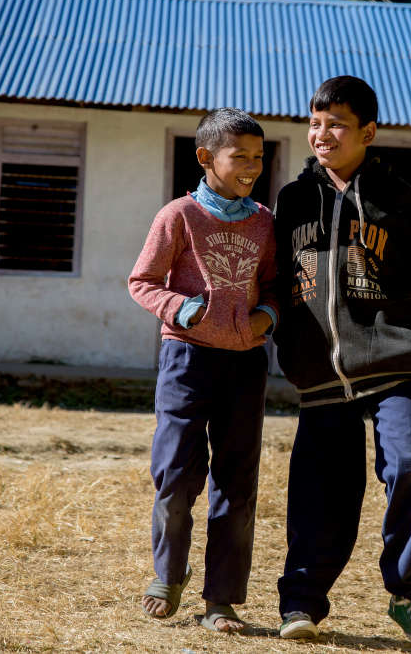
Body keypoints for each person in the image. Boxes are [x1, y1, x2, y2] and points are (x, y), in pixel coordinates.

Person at [273, 76, 411, 644]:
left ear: (368, 132)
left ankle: (409, 598)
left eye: (336, 123)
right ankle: (302, 602)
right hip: (323, 372)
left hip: (397, 360)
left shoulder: (398, 198)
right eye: (314, 122)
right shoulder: (292, 200)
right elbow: (278, 282)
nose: (321, 133)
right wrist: (286, 343)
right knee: (319, 489)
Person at [127, 108, 278, 631]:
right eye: (241, 156)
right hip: (186, 361)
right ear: (206, 158)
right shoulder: (178, 216)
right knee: (174, 475)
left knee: (237, 483)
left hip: (245, 364)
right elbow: (142, 281)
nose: (252, 166)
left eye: (259, 157)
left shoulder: (264, 221)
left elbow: (277, 285)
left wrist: (266, 316)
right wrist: (184, 308)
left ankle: (221, 599)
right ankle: (168, 575)